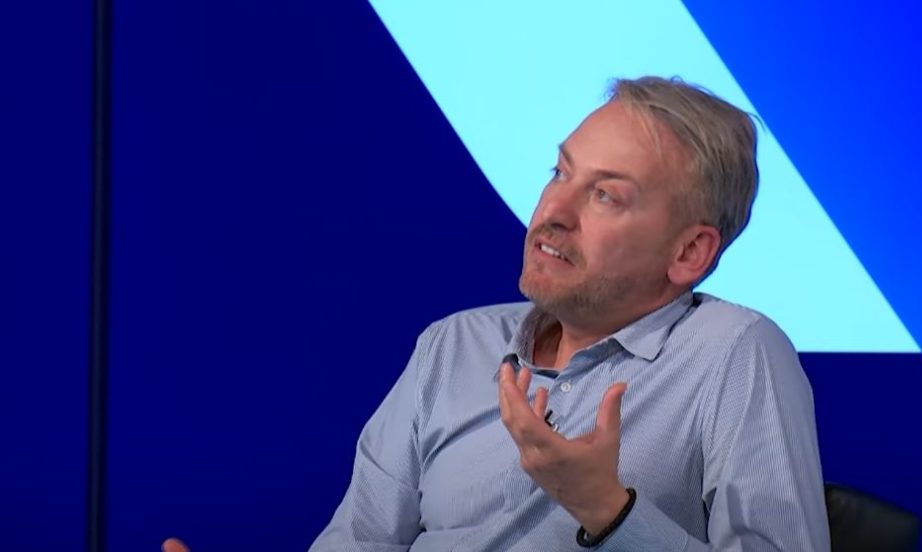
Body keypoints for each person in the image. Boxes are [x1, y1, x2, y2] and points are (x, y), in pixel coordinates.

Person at [165, 76, 830, 551]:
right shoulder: (452, 345)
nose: (551, 212)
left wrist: (607, 510)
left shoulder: (734, 352)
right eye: (559, 173)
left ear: (688, 252)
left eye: (605, 196)